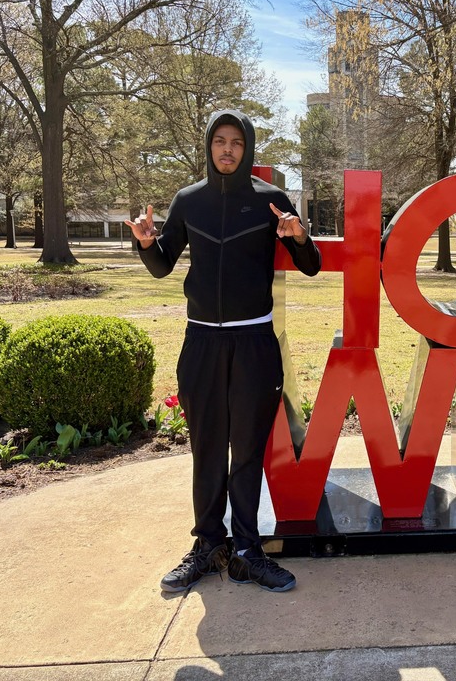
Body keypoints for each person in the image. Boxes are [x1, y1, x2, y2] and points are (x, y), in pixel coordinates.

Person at [125, 109, 321, 593]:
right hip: (202, 342)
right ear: (209, 147)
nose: (227, 149)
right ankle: (208, 544)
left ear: (247, 147)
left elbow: (312, 265)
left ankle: (248, 551)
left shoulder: (271, 200)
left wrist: (298, 236)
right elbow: (162, 264)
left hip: (254, 340)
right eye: (219, 141)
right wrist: (148, 243)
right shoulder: (189, 200)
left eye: (236, 141)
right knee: (207, 447)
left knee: (248, 450)